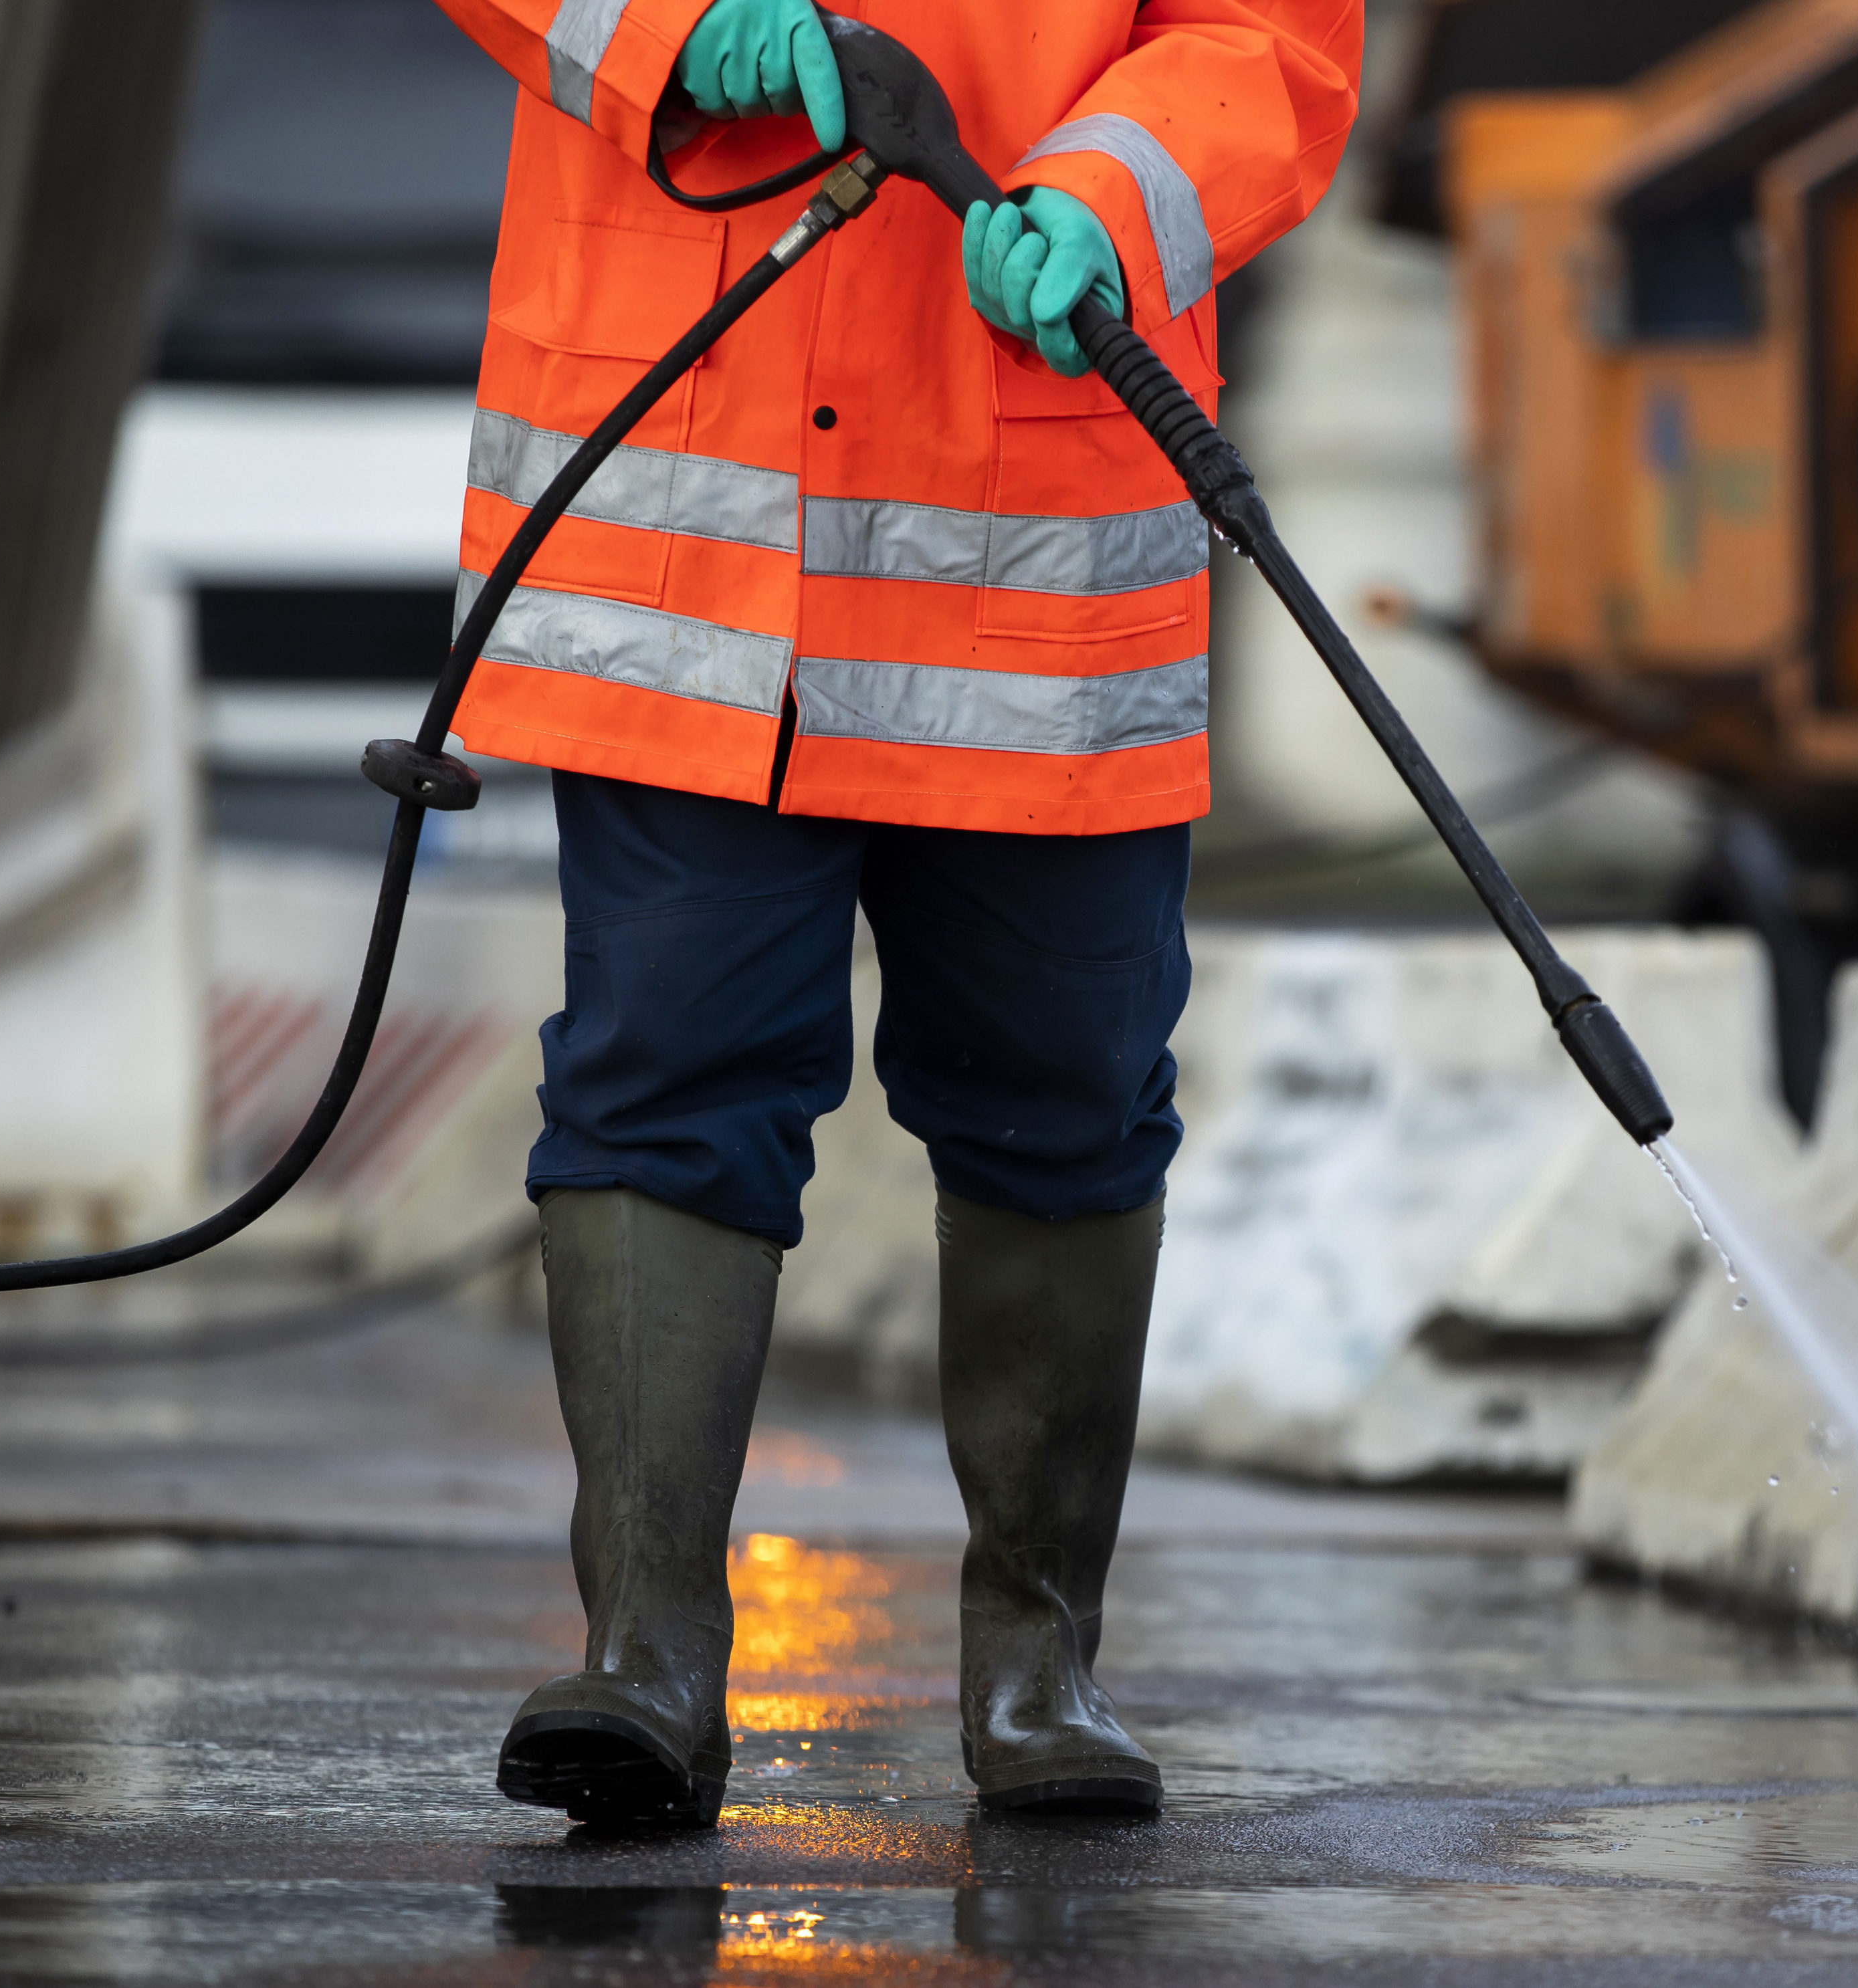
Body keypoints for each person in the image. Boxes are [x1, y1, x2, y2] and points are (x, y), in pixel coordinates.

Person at [425, 0, 1361, 1826]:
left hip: (1038, 519)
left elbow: (1273, 44)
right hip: (695, 528)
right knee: (666, 1067)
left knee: (1065, 1086)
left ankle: (1039, 1665)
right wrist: (688, 29)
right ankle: (648, 1666)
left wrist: (1102, 195)